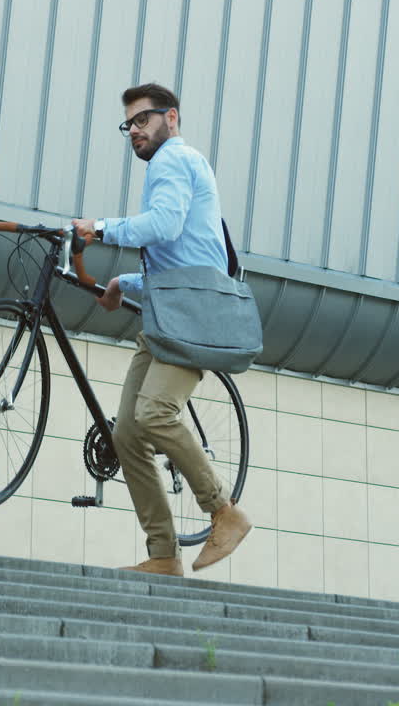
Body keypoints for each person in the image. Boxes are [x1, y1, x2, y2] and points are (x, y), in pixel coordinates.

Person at [71, 83, 251, 577]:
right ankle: (164, 554)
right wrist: (121, 282)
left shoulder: (172, 159)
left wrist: (100, 228)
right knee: (128, 433)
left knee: (153, 413)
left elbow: (165, 225)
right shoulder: (175, 165)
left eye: (143, 119)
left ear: (171, 118)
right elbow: (178, 254)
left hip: (191, 314)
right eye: (128, 123)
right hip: (168, 313)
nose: (134, 130)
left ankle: (223, 510)